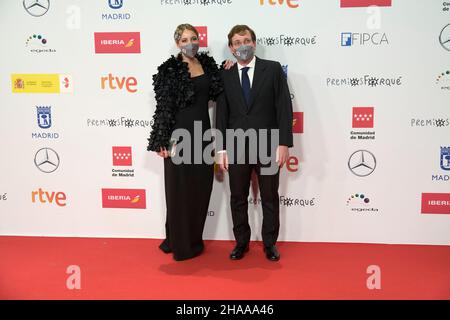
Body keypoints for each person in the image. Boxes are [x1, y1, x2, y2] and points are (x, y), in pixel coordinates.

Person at [216, 25, 293, 261]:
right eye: (237, 43)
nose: (242, 46)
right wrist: (221, 149)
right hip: (236, 146)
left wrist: (283, 143)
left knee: (270, 196)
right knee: (237, 197)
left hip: (269, 145)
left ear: (254, 43)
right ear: (231, 48)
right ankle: (242, 243)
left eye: (246, 41)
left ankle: (270, 243)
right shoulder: (225, 74)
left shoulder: (272, 69)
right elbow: (221, 113)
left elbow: (283, 107)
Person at [147, 24, 223, 261]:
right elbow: (163, 108)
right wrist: (162, 141)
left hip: (202, 136)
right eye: (185, 39)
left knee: (200, 188)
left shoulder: (207, 65)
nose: (190, 42)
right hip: (178, 137)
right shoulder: (169, 69)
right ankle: (180, 244)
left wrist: (228, 67)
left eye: (194, 38)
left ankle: (193, 239)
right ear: (178, 43)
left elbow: (218, 90)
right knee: (179, 191)